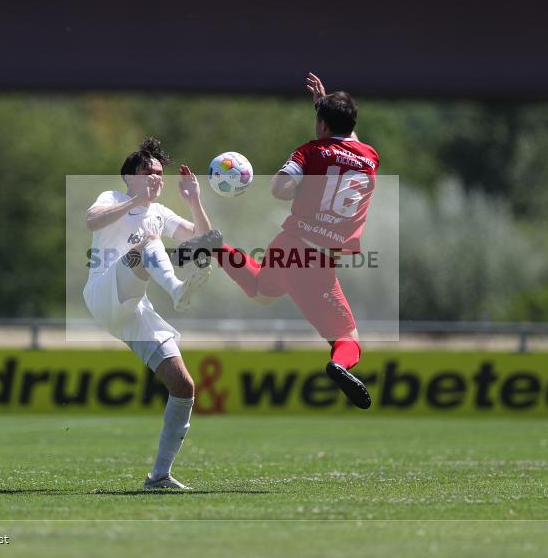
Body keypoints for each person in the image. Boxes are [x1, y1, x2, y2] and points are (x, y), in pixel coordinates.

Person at [182, 73, 378, 409]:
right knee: (348, 339)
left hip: (289, 244)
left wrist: (299, 184)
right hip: (316, 262)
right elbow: (349, 141)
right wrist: (324, 105)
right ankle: (339, 365)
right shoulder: (370, 157)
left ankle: (217, 247)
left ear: (322, 125)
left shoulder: (310, 152)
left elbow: (279, 189)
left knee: (261, 292)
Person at [83, 137, 220, 490]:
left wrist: (195, 202)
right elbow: (92, 221)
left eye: (160, 173)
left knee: (184, 386)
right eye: (148, 172)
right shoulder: (113, 198)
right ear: (130, 177)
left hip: (133, 309)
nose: (157, 178)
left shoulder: (159, 212)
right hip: (103, 292)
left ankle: (159, 476)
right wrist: (135, 200)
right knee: (148, 244)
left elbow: (206, 239)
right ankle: (176, 289)